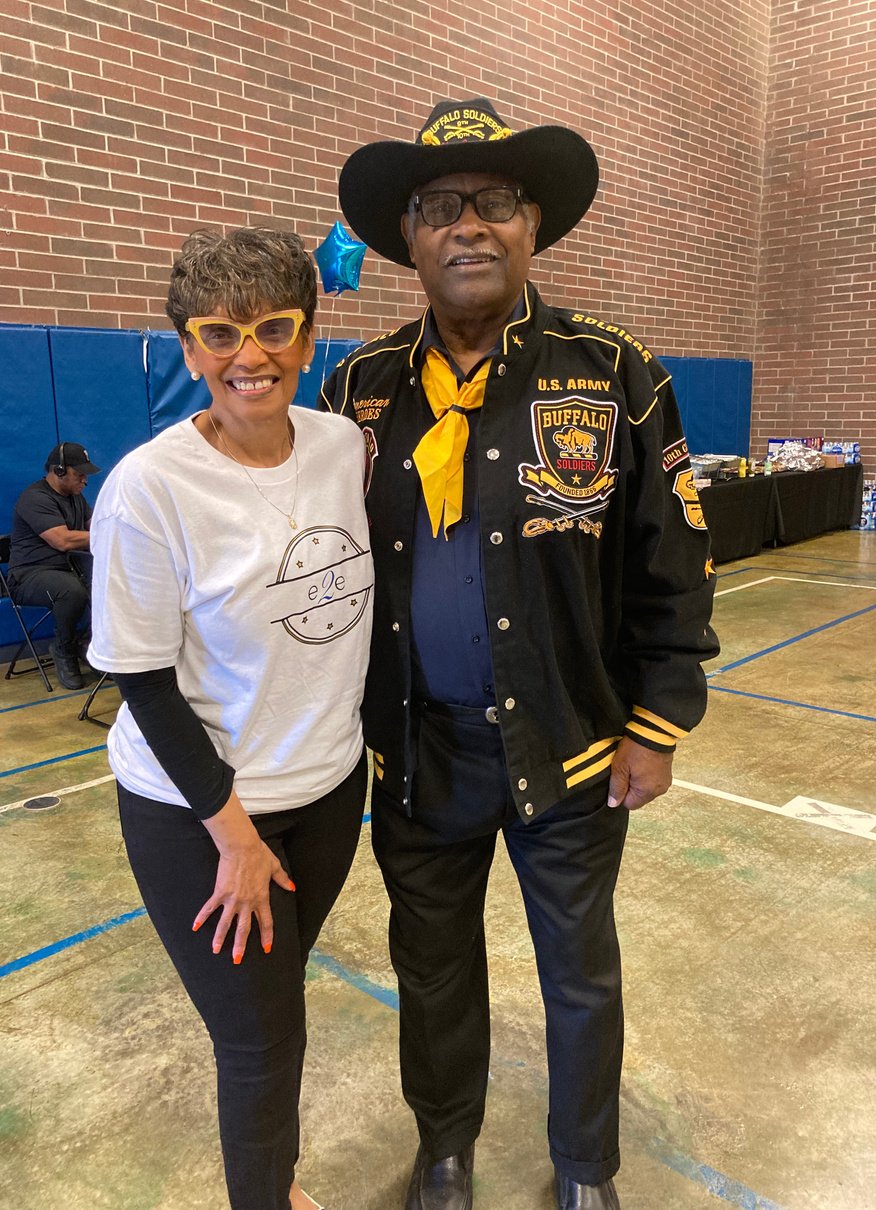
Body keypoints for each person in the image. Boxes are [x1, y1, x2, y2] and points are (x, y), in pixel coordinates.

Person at [322, 98, 720, 1210]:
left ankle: (585, 1169)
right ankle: (444, 1150)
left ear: (531, 223)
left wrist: (658, 723)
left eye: (494, 201)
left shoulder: (614, 371)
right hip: (417, 751)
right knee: (432, 970)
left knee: (579, 975)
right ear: (408, 237)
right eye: (439, 206)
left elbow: (676, 561)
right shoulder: (356, 390)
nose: (468, 224)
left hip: (572, 743)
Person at [88, 227, 374, 1210]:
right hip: (199, 814)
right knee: (260, 1039)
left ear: (308, 336)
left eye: (273, 328)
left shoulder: (342, 447)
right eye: (218, 333)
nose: (248, 356)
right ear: (188, 347)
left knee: (277, 1004)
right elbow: (142, 680)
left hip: (327, 790)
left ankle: (275, 1184)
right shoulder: (149, 489)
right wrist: (235, 836)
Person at [8, 441, 100, 689]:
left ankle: (89, 645)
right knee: (71, 591)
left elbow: (96, 525)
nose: (85, 480)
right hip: (29, 576)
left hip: (68, 571)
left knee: (110, 584)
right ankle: (63, 649)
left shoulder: (76, 497)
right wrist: (107, 534)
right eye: (79, 474)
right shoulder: (35, 498)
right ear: (58, 471)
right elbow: (62, 540)